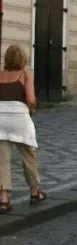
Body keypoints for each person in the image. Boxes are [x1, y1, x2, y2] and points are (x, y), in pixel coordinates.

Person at [0, 45, 46, 214]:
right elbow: (31, 99)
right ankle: (35, 192)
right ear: (22, 59)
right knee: (29, 155)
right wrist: (32, 109)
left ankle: (4, 198)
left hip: (0, 118)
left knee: (2, 160)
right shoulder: (25, 74)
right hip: (19, 117)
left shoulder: (0, 74)